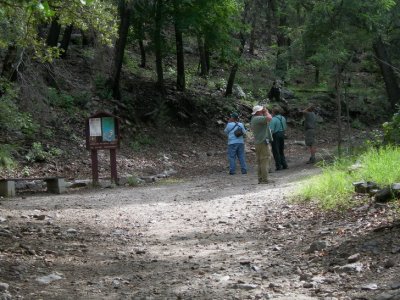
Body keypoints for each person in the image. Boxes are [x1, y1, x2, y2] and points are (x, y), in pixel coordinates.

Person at [250, 105, 273, 184]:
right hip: (263, 142)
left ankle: (261, 179)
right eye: (261, 110)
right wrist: (266, 111)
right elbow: (269, 118)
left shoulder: (254, 119)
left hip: (258, 142)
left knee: (260, 161)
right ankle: (264, 179)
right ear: (258, 112)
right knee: (265, 160)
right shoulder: (258, 118)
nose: (262, 111)